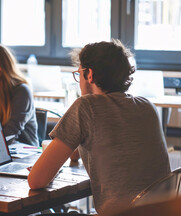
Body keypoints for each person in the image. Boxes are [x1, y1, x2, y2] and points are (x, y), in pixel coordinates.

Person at [27, 40, 170, 215]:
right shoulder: (147, 106)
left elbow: (36, 180)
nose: (78, 80)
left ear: (90, 75)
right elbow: (74, 152)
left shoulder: (85, 106)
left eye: (78, 73)